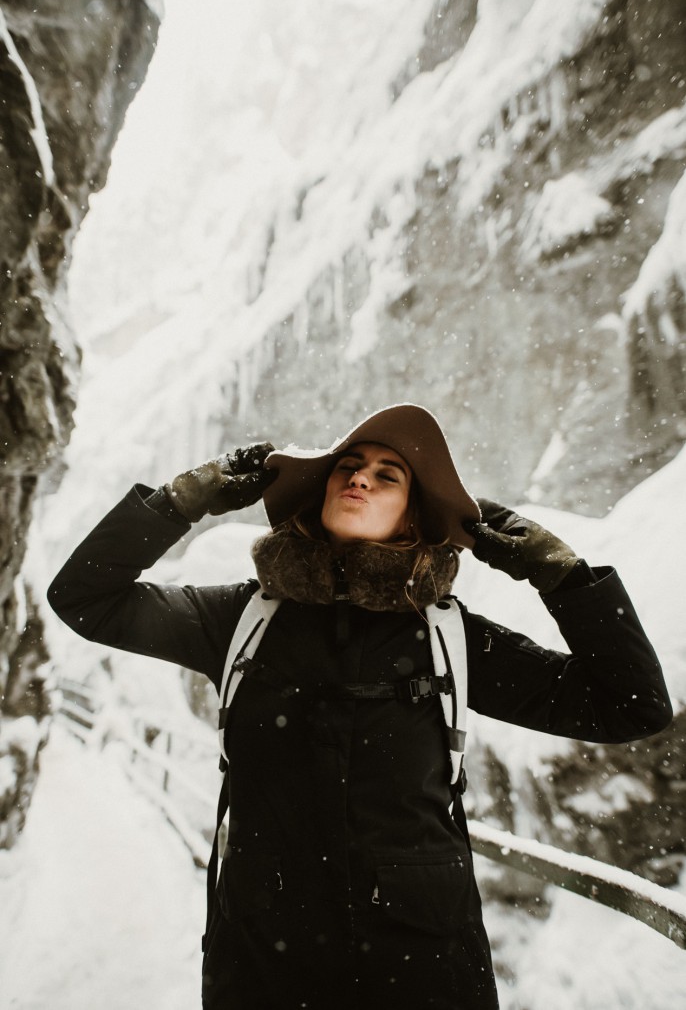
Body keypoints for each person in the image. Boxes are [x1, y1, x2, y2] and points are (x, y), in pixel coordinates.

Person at [47, 403, 672, 1010]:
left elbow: (631, 705)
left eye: (387, 473)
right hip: (265, 965)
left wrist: (558, 574)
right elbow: (85, 598)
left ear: (410, 520)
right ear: (318, 497)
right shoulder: (242, 618)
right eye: (347, 465)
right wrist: (187, 499)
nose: (360, 476)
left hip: (423, 971)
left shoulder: (450, 637)